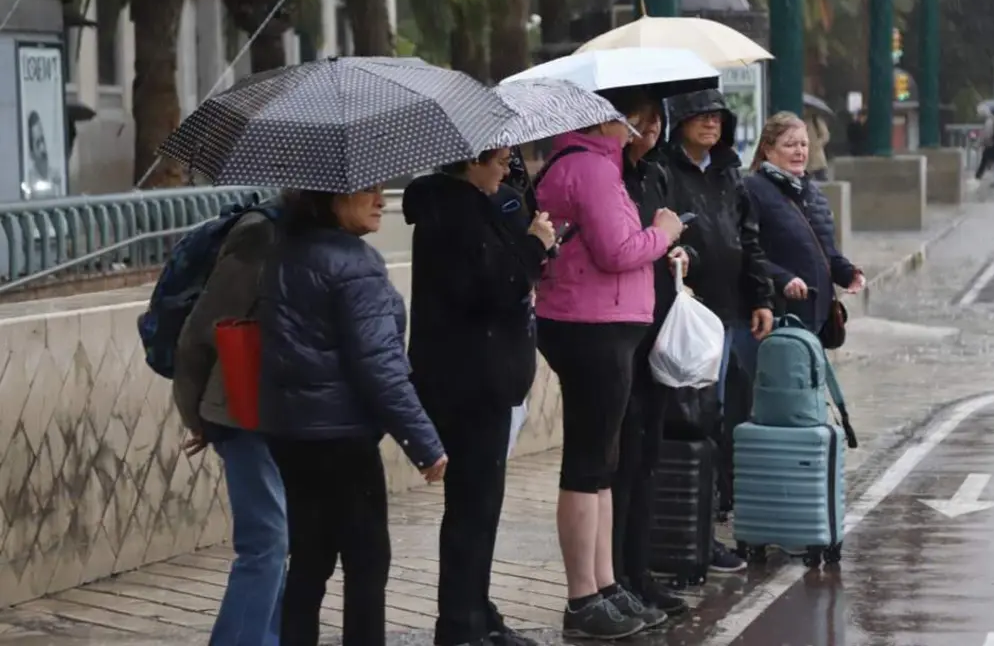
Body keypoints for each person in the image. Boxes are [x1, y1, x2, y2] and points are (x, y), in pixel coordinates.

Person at [259, 187, 449, 646]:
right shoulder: (355, 263)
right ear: (330, 199)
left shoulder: (284, 252)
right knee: (366, 563)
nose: (380, 199)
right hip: (342, 437)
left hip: (291, 430)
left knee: (309, 559)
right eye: (365, 191)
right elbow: (378, 364)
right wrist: (424, 443)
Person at [534, 109, 686, 640]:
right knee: (588, 463)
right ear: (606, 120)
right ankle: (583, 597)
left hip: (600, 323)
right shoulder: (592, 170)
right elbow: (619, 249)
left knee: (603, 462)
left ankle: (604, 584)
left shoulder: (592, 164)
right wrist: (663, 232)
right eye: (632, 116)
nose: (640, 128)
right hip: (591, 324)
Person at [403, 148, 556, 646]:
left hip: (482, 375)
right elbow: (494, 286)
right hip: (468, 379)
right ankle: (460, 623)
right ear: (472, 163)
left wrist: (534, 243)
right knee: (472, 505)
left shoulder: (475, 206)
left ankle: (475, 605)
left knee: (481, 504)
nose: (507, 171)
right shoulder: (453, 214)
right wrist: (534, 246)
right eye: (500, 161)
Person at [657, 88, 775, 573]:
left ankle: (706, 531)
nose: (711, 124)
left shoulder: (729, 174)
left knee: (718, 416)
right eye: (701, 116)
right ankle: (687, 537)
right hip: (685, 315)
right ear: (680, 120)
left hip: (728, 314)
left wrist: (762, 296)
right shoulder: (664, 172)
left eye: (718, 117)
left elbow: (749, 239)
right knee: (690, 419)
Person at [173, 203, 287, 646]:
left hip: (288, 415)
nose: (376, 197)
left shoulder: (318, 237)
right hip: (240, 412)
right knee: (267, 543)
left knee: (282, 542)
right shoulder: (262, 234)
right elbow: (200, 332)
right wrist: (196, 414)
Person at [610, 87, 694, 618]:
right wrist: (658, 239)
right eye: (643, 123)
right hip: (622, 333)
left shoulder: (655, 176)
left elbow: (671, 233)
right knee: (620, 461)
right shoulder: (609, 178)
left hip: (659, 326)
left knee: (648, 459)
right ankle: (615, 575)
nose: (653, 133)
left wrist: (681, 248)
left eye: (658, 124)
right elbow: (623, 246)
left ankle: (640, 573)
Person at [742, 112, 865, 336]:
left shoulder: (813, 192)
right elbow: (746, 251)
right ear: (768, 150)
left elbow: (825, 250)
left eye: (804, 144)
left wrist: (848, 274)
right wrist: (783, 278)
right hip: (779, 314)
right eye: (790, 145)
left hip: (817, 315)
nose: (799, 152)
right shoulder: (752, 189)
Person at [803, 107, 831, 181]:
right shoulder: (799, 122)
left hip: (817, 158)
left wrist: (817, 144)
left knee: (822, 180)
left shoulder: (816, 121)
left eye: (805, 108)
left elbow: (825, 135)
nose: (804, 110)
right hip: (805, 159)